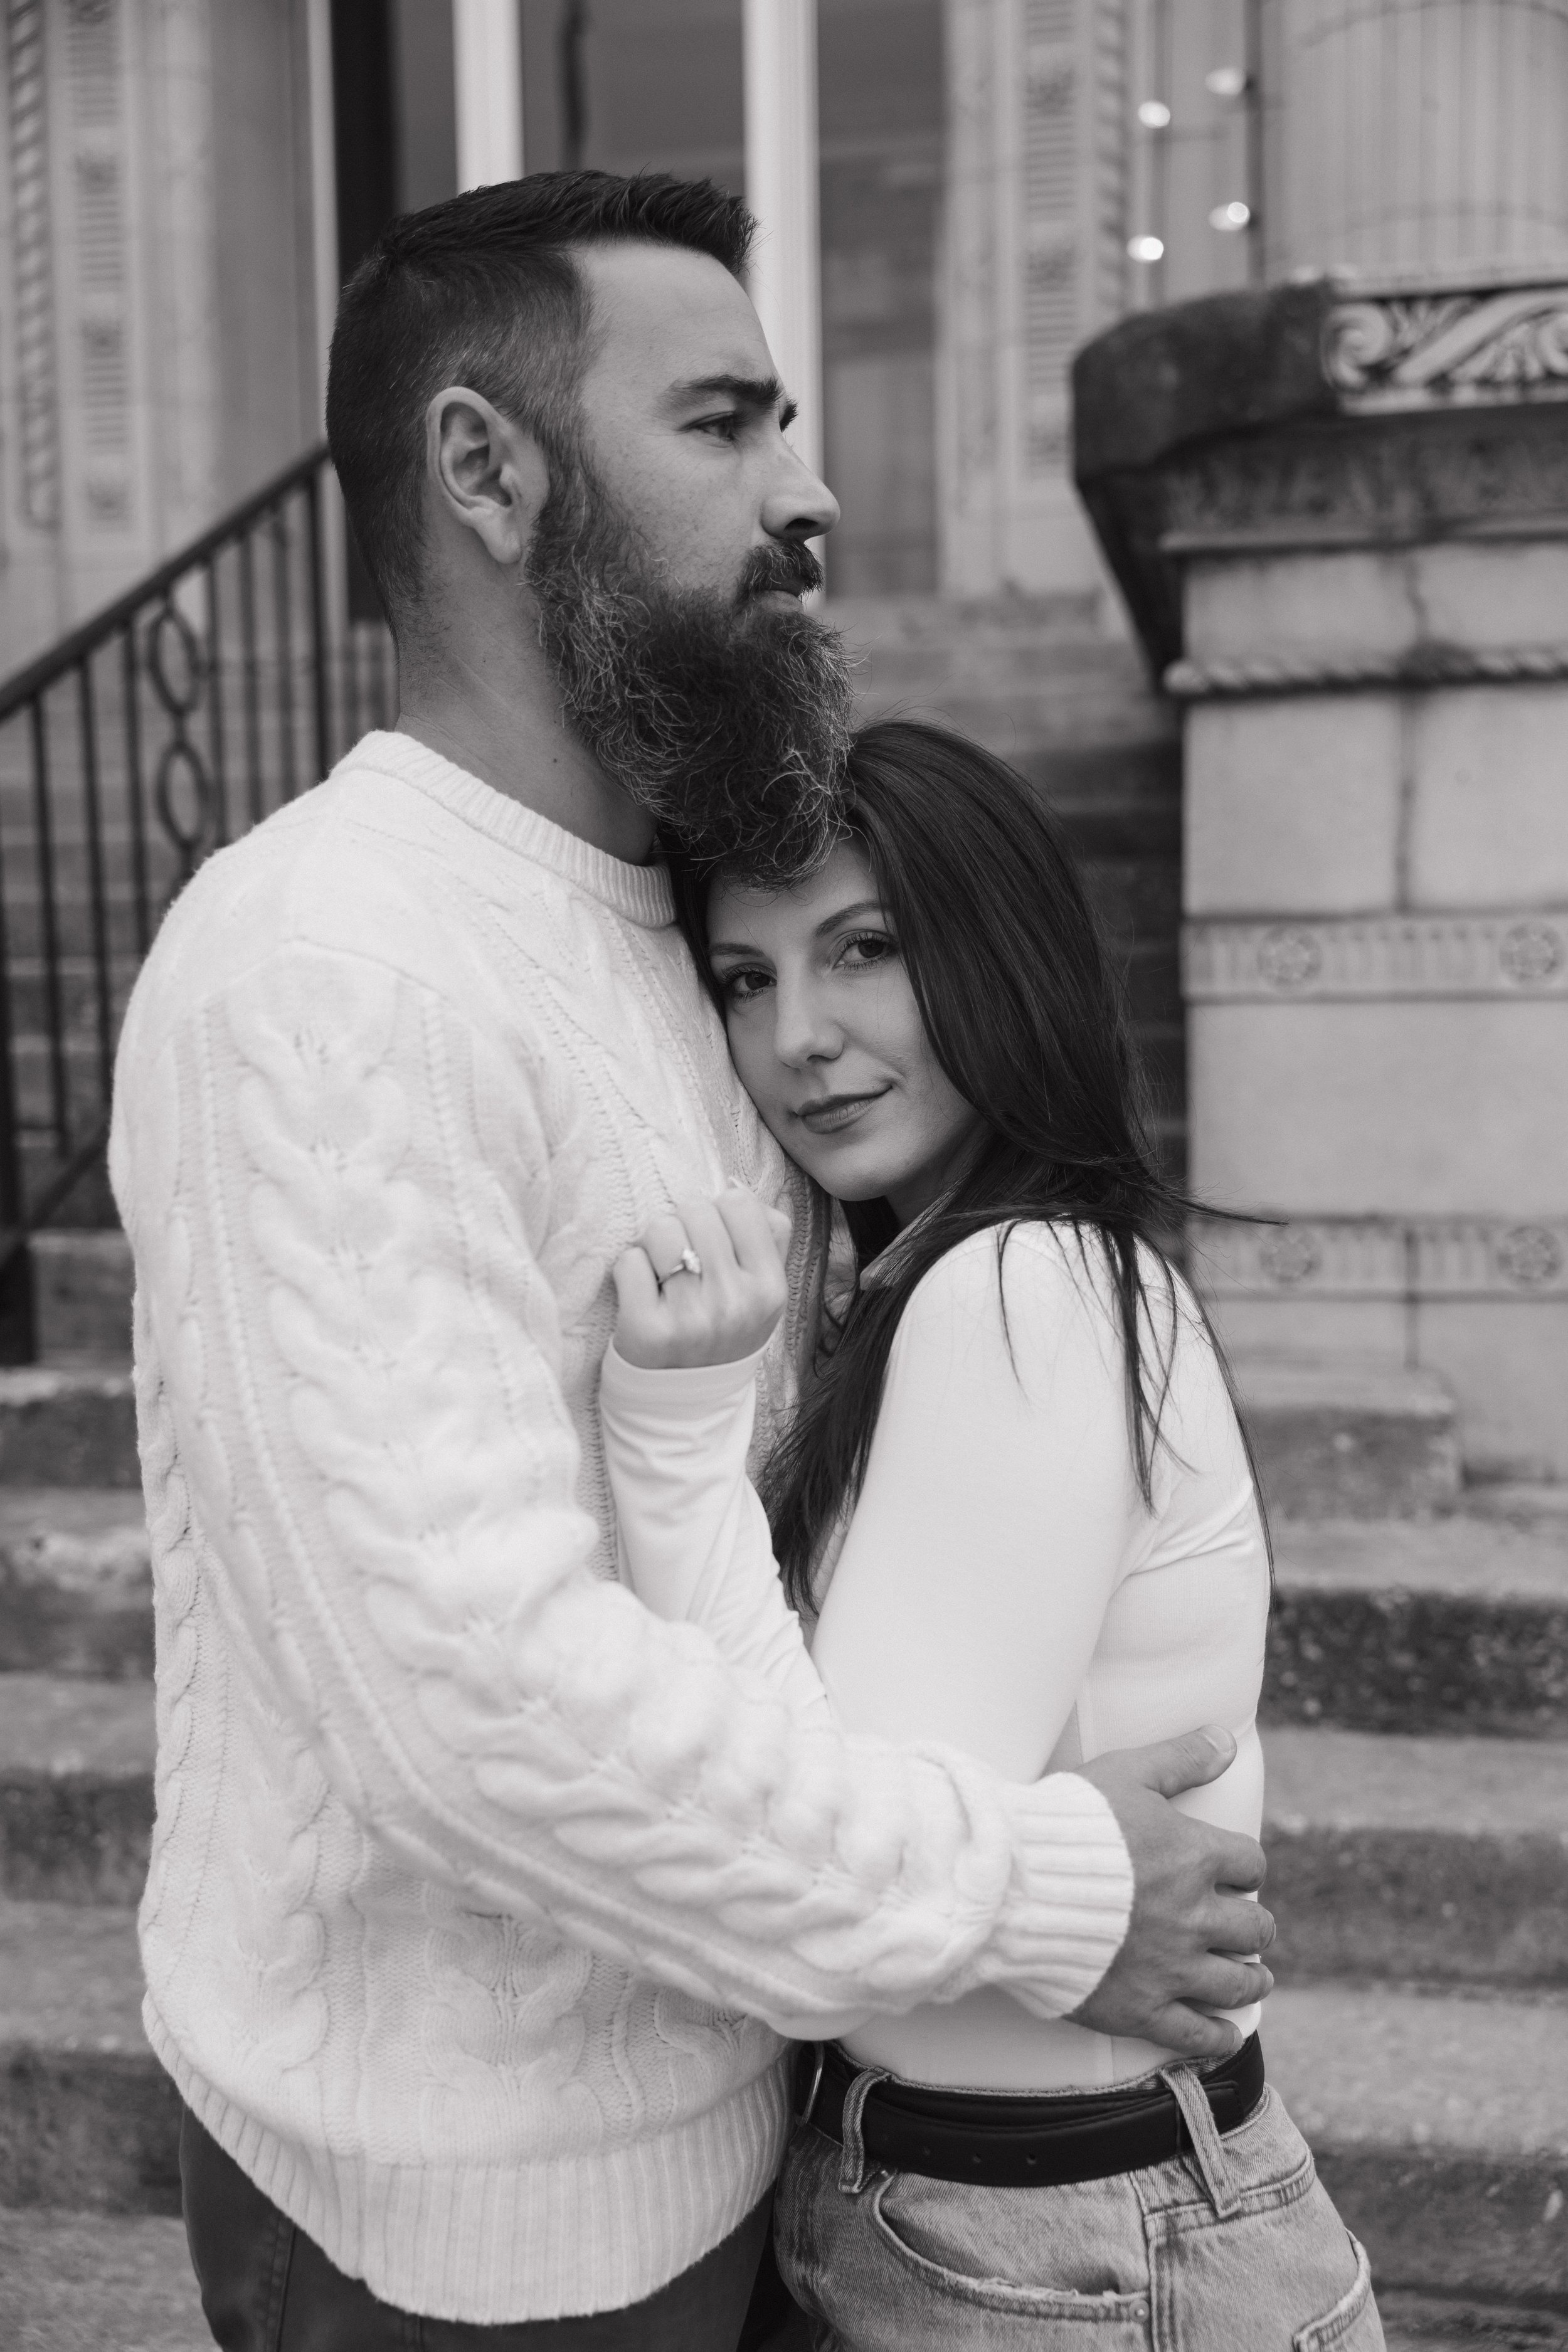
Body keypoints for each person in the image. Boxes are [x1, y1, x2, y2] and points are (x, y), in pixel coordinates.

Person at [109, 174, 1273, 2349]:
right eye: (724, 422)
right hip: (462, 2223)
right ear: (487, 471)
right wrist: (1026, 1889)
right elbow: (473, 1709)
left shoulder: (681, 931)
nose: (805, 495)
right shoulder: (324, 966)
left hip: (756, 2132)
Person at [601, 723, 1384, 2349]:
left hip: (1059, 2253)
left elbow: (829, 1894)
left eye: (863, 950)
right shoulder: (971, 1287)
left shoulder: (1022, 1291)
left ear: (998, 951)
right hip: (1027, 2220)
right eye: (745, 980)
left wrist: (672, 1446)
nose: (799, 1038)